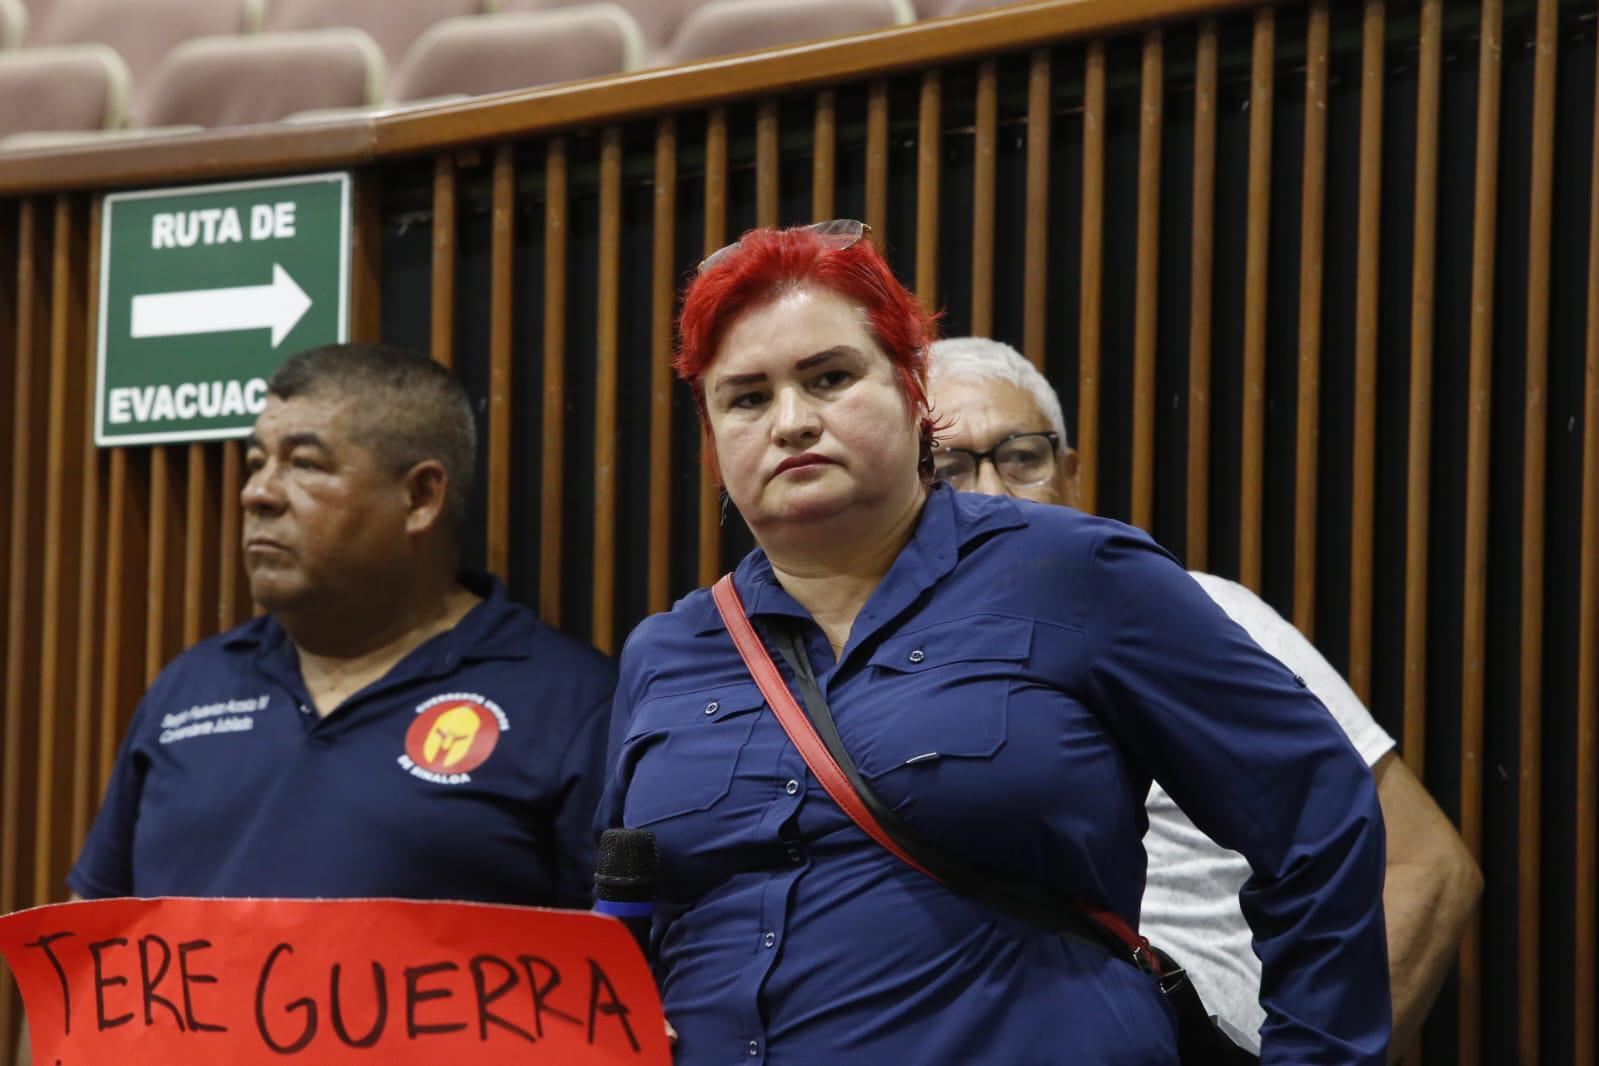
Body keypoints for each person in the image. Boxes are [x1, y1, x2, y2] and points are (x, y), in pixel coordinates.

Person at [597, 222, 1391, 1064]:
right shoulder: (666, 651)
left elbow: (1317, 816)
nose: (791, 422)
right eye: (746, 397)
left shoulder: (1075, 571)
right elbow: (628, 923)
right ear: (712, 441)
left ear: (912, 395)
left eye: (829, 379)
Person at [926, 335, 1483, 1058]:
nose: (991, 494)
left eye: (1020, 458)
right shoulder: (857, 662)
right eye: (947, 470)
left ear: (1070, 475)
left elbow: (1425, 867)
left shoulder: (1193, 612)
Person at [69, 343, 615, 903]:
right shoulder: (190, 687)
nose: (256, 492)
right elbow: (93, 935)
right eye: (257, 462)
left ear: (420, 497)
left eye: (304, 463)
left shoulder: (568, 704)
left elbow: (623, 958)